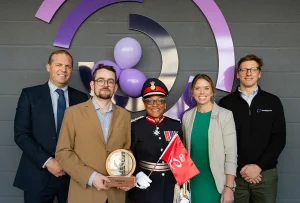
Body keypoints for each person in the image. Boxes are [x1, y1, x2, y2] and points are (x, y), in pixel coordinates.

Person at [13, 50, 89, 203]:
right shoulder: (30, 95)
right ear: (48, 67)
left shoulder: (82, 98)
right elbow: (21, 134)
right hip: (37, 174)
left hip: (72, 178)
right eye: (58, 64)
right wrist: (48, 161)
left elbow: (85, 137)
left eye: (68, 66)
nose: (63, 69)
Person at [55, 64, 131, 203]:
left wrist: (125, 176)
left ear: (115, 87)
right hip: (84, 194)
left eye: (110, 81)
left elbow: (125, 152)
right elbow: (63, 153)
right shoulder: (73, 113)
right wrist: (91, 177)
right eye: (100, 80)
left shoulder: (125, 116)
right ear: (92, 84)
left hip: (115, 195)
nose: (105, 85)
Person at [219, 54, 286, 203]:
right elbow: (221, 141)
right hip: (235, 174)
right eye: (244, 69)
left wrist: (259, 167)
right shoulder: (226, 103)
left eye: (253, 69)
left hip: (265, 175)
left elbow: (279, 138)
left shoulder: (272, 102)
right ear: (238, 74)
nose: (249, 73)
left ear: (259, 73)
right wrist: (243, 168)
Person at [181, 74, 237, 203]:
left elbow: (231, 154)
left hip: (218, 184)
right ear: (192, 92)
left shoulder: (225, 115)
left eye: (206, 88)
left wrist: (229, 187)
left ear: (212, 91)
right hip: (194, 183)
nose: (202, 92)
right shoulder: (187, 117)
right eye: (197, 88)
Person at [128, 78, 183, 203]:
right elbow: (129, 157)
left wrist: (184, 191)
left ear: (165, 103)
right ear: (144, 103)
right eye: (150, 101)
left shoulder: (175, 126)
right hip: (145, 188)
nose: (155, 105)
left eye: (160, 100)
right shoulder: (136, 127)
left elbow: (181, 160)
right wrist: (136, 174)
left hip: (169, 188)